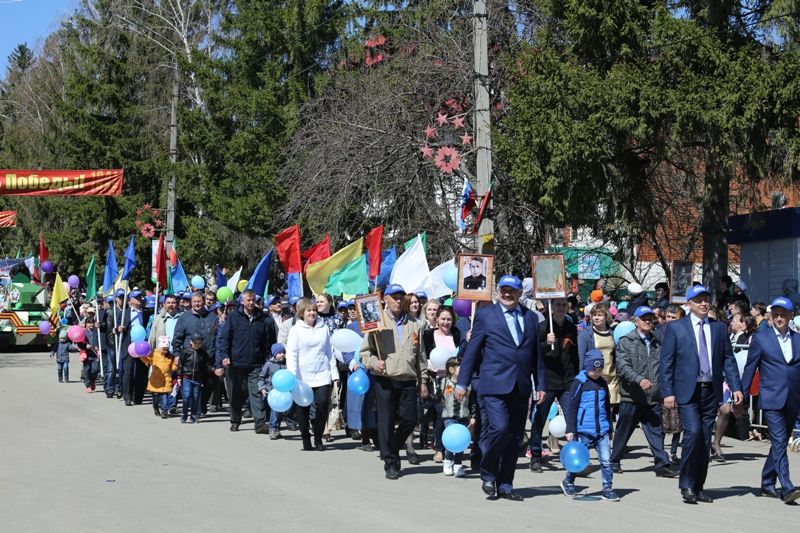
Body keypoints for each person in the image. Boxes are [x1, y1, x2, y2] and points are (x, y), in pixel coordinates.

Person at [456, 275, 546, 501]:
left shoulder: (531, 318)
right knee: (500, 428)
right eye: (504, 290)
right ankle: (487, 473)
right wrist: (462, 382)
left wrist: (541, 384)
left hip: (521, 385)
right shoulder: (486, 315)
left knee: (515, 437)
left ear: (519, 293)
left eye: (512, 291)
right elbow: (472, 352)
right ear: (497, 292)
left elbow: (536, 356)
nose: (508, 294)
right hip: (493, 385)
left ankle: (505, 484)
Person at [660, 285, 743, 504]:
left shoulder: (718, 328)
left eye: (706, 299)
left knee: (705, 438)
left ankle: (698, 486)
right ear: (689, 304)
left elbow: (728, 359)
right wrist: (667, 392)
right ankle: (686, 484)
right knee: (694, 433)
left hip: (710, 391)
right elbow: (667, 362)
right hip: (687, 390)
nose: (703, 303)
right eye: (698, 300)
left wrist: (736, 387)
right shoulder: (677, 328)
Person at [358, 284, 428, 480]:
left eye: (400, 297)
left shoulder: (414, 324)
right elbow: (364, 353)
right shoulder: (376, 322)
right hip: (385, 379)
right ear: (385, 299)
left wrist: (423, 380)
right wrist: (373, 362)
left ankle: (390, 448)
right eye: (394, 297)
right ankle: (391, 463)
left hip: (407, 378)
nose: (398, 300)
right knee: (386, 422)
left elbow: (421, 355)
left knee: (410, 419)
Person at [741, 296, 800, 504]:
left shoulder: (798, 338)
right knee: (778, 441)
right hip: (772, 397)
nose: (779, 317)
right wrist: (742, 395)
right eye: (775, 313)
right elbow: (750, 368)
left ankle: (767, 483)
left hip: (793, 398)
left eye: (783, 314)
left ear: (791, 315)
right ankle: (787, 486)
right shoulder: (761, 338)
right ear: (770, 315)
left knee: (780, 442)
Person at [610, 306, 677, 477]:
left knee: (656, 431)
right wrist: (639, 379)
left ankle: (661, 464)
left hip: (652, 397)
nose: (648, 321)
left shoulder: (657, 342)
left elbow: (664, 366)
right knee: (624, 430)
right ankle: (614, 460)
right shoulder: (626, 341)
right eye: (644, 318)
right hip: (632, 396)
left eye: (650, 318)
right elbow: (623, 367)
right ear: (636, 321)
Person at [561, 350, 619, 502]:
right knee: (580, 461)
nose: (597, 373)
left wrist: (610, 427)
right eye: (594, 370)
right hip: (584, 430)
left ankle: (607, 488)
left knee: (606, 461)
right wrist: (570, 429)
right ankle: (568, 481)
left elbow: (606, 406)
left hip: (602, 429)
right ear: (587, 367)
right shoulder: (579, 383)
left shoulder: (602, 383)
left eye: (600, 370)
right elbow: (572, 407)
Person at [215, 289, 276, 433]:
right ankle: (235, 420)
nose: (251, 302)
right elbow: (224, 339)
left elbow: (268, 341)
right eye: (248, 300)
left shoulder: (262, 318)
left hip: (255, 363)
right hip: (235, 363)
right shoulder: (234, 317)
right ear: (242, 301)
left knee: (256, 392)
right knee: (235, 393)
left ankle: (260, 423)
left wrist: (268, 359)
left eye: (253, 299)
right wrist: (224, 356)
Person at [529, 297, 578, 473]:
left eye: (564, 305)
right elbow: (533, 354)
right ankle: (535, 455)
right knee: (539, 419)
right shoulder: (542, 328)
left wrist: (577, 377)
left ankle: (574, 456)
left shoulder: (571, 327)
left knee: (573, 418)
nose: (561, 308)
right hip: (547, 382)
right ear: (551, 307)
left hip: (568, 381)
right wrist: (545, 343)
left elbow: (575, 355)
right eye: (558, 305)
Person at [286, 297, 338, 450]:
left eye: (314, 310)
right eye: (309, 310)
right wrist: (292, 376)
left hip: (322, 374)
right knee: (303, 409)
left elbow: (330, 352)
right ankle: (305, 439)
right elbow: (291, 354)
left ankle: (318, 438)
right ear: (302, 313)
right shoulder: (296, 330)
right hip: (303, 376)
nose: (312, 313)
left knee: (322, 405)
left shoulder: (324, 328)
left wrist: (334, 375)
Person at [422, 306, 463, 464]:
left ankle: (451, 447)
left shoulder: (457, 334)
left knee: (454, 415)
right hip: (437, 380)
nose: (446, 322)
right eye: (443, 319)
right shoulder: (428, 335)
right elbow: (424, 357)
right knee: (442, 414)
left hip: (455, 381)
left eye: (449, 319)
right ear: (437, 319)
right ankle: (439, 448)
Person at [172, 291, 219, 414]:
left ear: (204, 302)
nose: (197, 304)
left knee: (209, 384)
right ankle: (196, 408)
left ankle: (201, 404)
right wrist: (177, 355)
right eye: (195, 302)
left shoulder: (212, 317)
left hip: (209, 358)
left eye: (199, 301)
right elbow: (177, 339)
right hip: (191, 360)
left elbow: (218, 338)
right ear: (191, 303)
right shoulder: (184, 318)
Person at [439, 357, 476, 477]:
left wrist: (473, 415)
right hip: (449, 416)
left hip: (463, 416)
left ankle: (458, 465)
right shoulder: (445, 382)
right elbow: (440, 397)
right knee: (452, 439)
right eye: (461, 367)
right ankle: (448, 461)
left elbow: (472, 401)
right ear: (451, 369)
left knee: (461, 441)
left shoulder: (468, 384)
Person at [578, 304, 619, 408]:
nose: (596, 317)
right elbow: (581, 357)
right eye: (594, 315)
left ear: (606, 316)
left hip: (612, 378)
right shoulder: (585, 334)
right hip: (595, 377)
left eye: (600, 315)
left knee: (611, 411)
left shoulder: (613, 333)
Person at [142, 336, 178, 418]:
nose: (165, 351)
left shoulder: (170, 357)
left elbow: (173, 368)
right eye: (163, 349)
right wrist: (142, 356)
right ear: (160, 347)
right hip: (156, 380)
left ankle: (164, 411)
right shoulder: (154, 354)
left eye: (166, 349)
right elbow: (147, 360)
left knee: (165, 396)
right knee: (156, 398)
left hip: (166, 380)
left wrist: (176, 364)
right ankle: (155, 407)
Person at [178, 334, 210, 423]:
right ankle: (184, 415)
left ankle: (194, 416)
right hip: (186, 378)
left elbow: (206, 366)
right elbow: (180, 365)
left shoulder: (203, 353)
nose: (197, 345)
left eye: (199, 343)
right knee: (186, 396)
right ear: (190, 342)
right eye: (195, 343)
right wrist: (179, 377)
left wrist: (204, 377)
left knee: (196, 398)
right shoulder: (185, 352)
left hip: (197, 379)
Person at [258, 343, 288, 440]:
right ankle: (272, 429)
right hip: (272, 391)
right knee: (275, 410)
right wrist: (262, 388)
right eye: (279, 352)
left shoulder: (287, 364)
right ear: (274, 354)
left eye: (283, 352)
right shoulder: (269, 364)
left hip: (284, 391)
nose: (282, 354)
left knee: (280, 411)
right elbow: (261, 377)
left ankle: (277, 429)